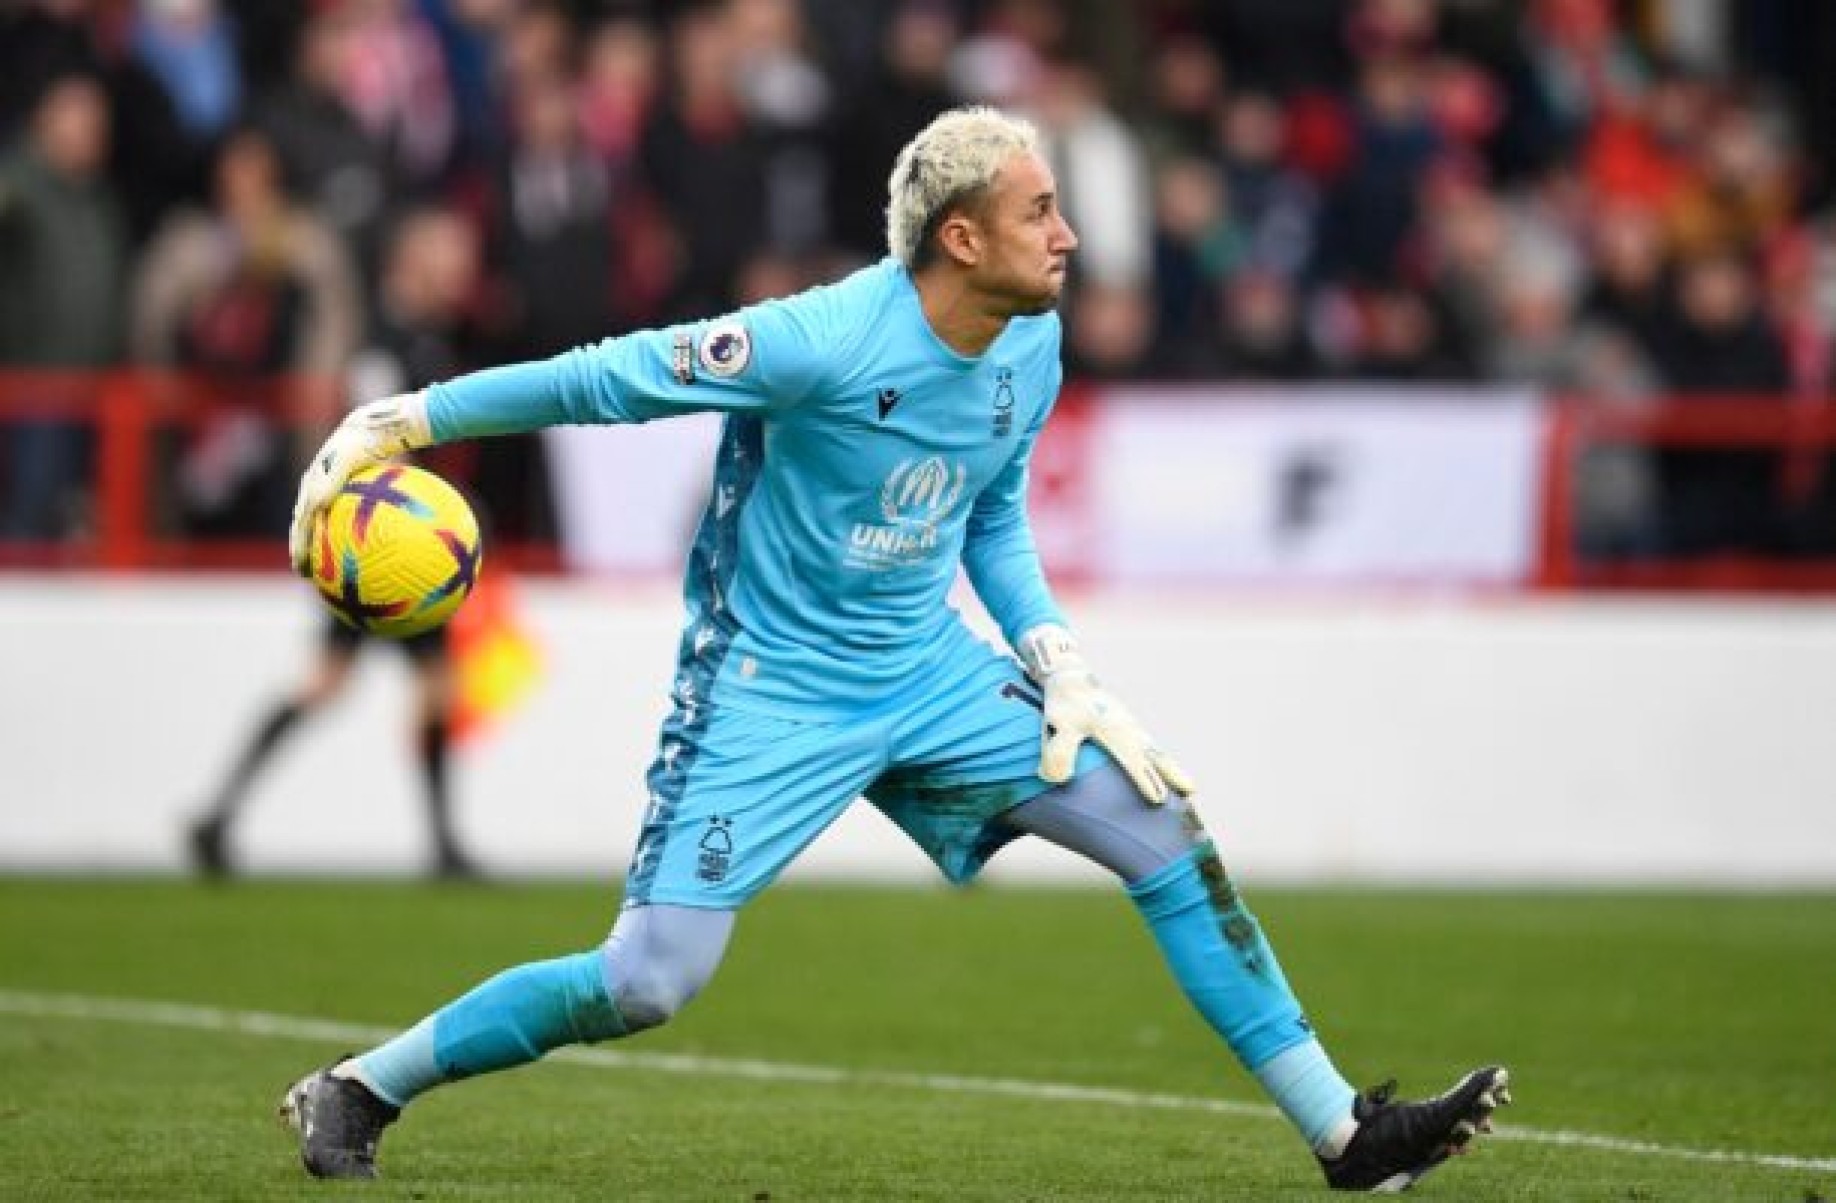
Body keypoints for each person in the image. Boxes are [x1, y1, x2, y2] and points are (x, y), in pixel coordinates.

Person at [275, 106, 1508, 1191]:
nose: (1068, 236)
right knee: (649, 980)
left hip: (930, 673)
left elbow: (990, 514)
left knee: (1162, 828)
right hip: (771, 690)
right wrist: (402, 421)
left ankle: (1346, 1136)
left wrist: (1057, 657)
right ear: (960, 239)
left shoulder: (1031, 338)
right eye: (1040, 212)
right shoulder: (820, 338)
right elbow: (614, 380)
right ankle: (364, 1086)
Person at [184, 206, 487, 881]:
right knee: (339, 683)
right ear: (412, 258)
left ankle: (221, 814)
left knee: (418, 686)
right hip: (381, 548)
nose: (460, 269)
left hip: (406, 546)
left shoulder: (431, 334)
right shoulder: (384, 338)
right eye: (447, 252)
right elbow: (377, 437)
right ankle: (220, 814)